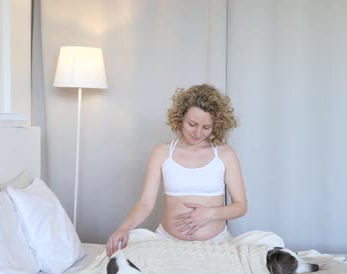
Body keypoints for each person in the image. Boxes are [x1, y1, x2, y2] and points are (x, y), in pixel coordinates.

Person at [106, 84, 247, 257]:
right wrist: (124, 228)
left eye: (206, 127)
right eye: (192, 124)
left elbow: (241, 206)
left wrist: (210, 214)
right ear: (180, 118)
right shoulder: (162, 153)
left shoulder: (225, 154)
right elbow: (145, 203)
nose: (197, 133)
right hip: (167, 243)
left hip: (215, 245)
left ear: (216, 125)